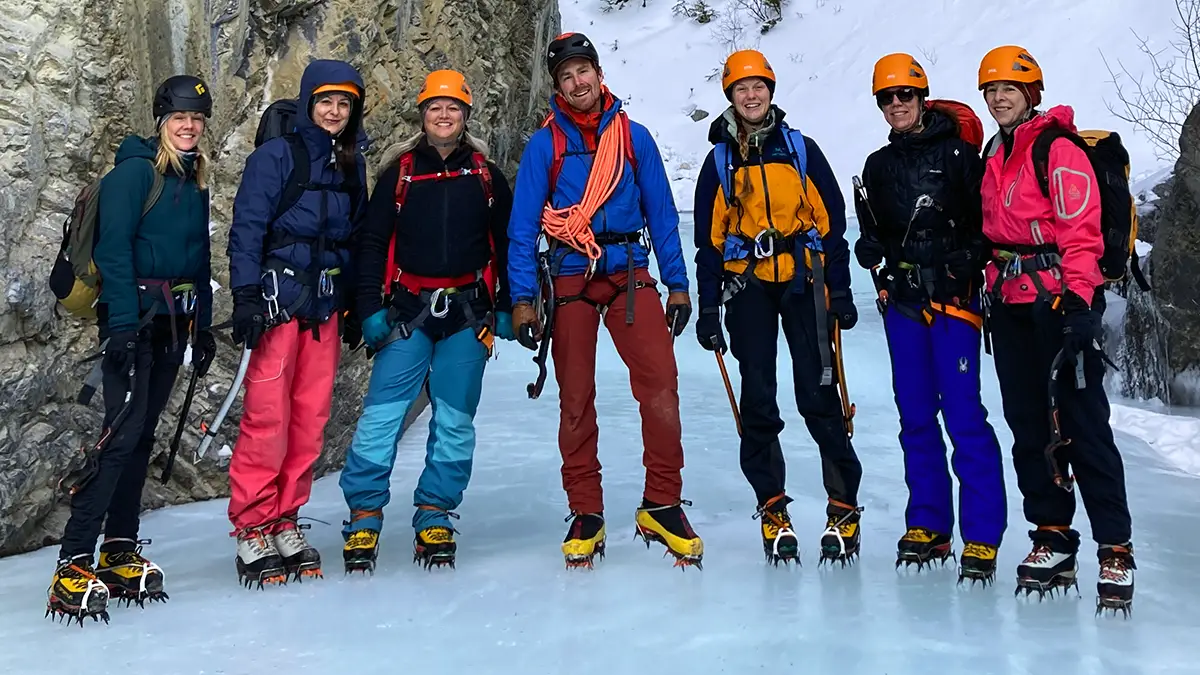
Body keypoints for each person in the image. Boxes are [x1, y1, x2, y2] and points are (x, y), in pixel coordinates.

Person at [508, 32, 700, 570]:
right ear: (557, 86)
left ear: (598, 72)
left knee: (661, 384)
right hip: (570, 274)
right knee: (575, 396)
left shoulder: (634, 139)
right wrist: (523, 298)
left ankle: (661, 502)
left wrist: (678, 283)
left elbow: (662, 215)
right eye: (566, 76)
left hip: (630, 274)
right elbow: (523, 229)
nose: (577, 82)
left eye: (583, 71)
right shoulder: (545, 145)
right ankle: (585, 511)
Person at [47, 75, 216, 624]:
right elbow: (114, 250)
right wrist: (119, 328)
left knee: (142, 436)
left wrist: (205, 325)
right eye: (178, 117)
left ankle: (120, 547)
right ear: (160, 121)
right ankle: (73, 560)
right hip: (133, 321)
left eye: (196, 118)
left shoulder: (194, 178)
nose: (188, 126)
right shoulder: (134, 174)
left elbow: (198, 261)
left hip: (173, 323)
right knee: (119, 438)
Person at [976, 45, 1135, 614]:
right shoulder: (997, 149)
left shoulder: (1056, 147)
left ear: (1032, 92)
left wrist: (1081, 305)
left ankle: (1114, 546)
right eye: (990, 90)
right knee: (1028, 425)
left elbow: (1082, 231)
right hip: (1011, 305)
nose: (998, 98)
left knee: (1084, 424)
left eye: (1008, 89)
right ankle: (1052, 533)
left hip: (1060, 304)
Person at [337, 69, 515, 573]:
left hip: (466, 311)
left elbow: (506, 242)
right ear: (423, 114)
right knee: (380, 419)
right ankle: (365, 512)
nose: (444, 115)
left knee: (455, 423)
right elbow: (372, 243)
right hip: (407, 310)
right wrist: (369, 307)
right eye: (435, 107)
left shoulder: (485, 174)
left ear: (465, 116)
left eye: (453, 108)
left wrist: (506, 303)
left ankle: (435, 510)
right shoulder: (401, 172)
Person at [692, 49, 862, 567]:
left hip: (802, 282)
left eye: (758, 86)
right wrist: (707, 310)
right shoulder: (720, 162)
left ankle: (842, 506)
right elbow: (709, 245)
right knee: (758, 395)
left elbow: (832, 228)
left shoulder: (801, 151)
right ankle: (772, 506)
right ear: (730, 97)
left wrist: (842, 291)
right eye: (741, 89)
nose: (751, 95)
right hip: (748, 290)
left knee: (818, 392)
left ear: (771, 90)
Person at [853, 53, 1006, 584]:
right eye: (887, 98)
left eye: (905, 95)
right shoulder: (877, 165)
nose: (897, 105)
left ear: (922, 98)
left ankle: (982, 534)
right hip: (904, 303)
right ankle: (929, 523)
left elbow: (990, 223)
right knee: (915, 416)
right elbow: (877, 227)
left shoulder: (963, 156)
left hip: (955, 300)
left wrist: (975, 252)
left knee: (963, 416)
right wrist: (869, 248)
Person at [225, 59, 368, 589]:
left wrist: (354, 302)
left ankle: (286, 518)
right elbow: (248, 228)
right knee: (267, 417)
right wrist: (244, 297)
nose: (334, 112)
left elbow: (355, 240)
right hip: (278, 303)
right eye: (326, 101)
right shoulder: (275, 157)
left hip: (325, 307)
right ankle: (253, 524)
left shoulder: (351, 164)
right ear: (309, 103)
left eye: (344, 104)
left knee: (310, 419)